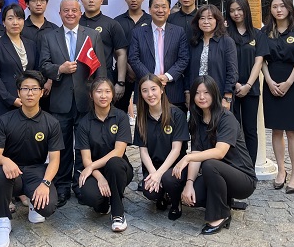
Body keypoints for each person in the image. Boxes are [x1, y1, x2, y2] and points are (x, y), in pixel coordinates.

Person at [39, 0, 107, 207]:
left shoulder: (92, 35)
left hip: (85, 101)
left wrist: (100, 96)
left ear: (80, 13)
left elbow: (100, 70)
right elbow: (43, 65)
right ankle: (61, 186)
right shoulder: (49, 37)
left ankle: (81, 184)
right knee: (62, 146)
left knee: (84, 146)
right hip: (60, 103)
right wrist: (59, 69)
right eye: (65, 10)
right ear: (59, 14)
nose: (70, 14)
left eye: (74, 10)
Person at [172, 75, 256, 235]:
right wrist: (189, 183)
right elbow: (197, 151)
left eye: (206, 92)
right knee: (194, 198)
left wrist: (187, 157)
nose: (201, 97)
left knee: (210, 163)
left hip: (243, 178)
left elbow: (220, 152)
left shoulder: (226, 118)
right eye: (197, 93)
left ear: (215, 94)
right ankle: (225, 201)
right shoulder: (197, 119)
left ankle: (220, 215)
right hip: (218, 174)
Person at [0, 71, 62, 247]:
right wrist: (5, 160)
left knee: (48, 208)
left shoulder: (51, 123)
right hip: (12, 173)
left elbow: (54, 160)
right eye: (25, 89)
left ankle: (33, 203)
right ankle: (3, 220)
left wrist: (45, 183)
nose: (30, 93)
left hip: (37, 171)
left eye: (34, 89)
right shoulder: (5, 120)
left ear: (41, 92)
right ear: (18, 92)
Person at [261, 0, 294, 193]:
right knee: (276, 130)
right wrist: (269, 81)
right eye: (274, 7)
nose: (278, 10)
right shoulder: (266, 31)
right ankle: (281, 170)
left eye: (282, 6)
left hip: (292, 82)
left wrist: (288, 82)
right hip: (271, 80)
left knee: (292, 130)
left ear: (289, 8)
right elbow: (261, 59)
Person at [76, 78, 133, 232]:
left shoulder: (120, 117)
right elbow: (86, 159)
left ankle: (118, 213)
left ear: (112, 95)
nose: (103, 96)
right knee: (89, 196)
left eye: (107, 91)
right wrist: (99, 177)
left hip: (119, 168)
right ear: (91, 95)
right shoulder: (84, 123)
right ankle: (104, 203)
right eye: (99, 91)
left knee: (114, 162)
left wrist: (92, 166)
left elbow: (119, 152)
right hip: (94, 172)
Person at [134, 74, 189, 220]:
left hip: (175, 167)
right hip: (154, 166)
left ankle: (176, 203)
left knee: (169, 179)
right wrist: (153, 173)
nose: (150, 94)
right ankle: (162, 195)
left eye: (153, 89)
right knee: (149, 191)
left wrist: (159, 175)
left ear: (162, 90)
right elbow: (143, 151)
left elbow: (176, 150)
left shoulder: (176, 114)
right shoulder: (141, 118)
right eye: (145, 90)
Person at [225, 0, 270, 167]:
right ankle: (233, 165)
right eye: (232, 10)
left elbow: (259, 62)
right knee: (232, 127)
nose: (236, 13)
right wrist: (236, 84)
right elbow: (226, 62)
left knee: (251, 129)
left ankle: (249, 168)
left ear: (246, 11)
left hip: (251, 89)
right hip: (230, 88)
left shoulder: (258, 34)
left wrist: (248, 85)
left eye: (239, 9)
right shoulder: (225, 34)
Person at [129, 0, 189, 111]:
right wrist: (151, 79)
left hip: (172, 89)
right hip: (146, 90)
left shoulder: (179, 32)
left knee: (174, 126)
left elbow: (184, 58)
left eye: (164, 6)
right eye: (156, 6)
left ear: (169, 10)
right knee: (146, 127)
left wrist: (167, 76)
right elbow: (133, 58)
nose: (160, 10)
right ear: (150, 10)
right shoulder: (138, 32)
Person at [0, 4, 38, 128]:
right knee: (4, 146)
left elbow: (35, 72)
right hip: (4, 105)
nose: (15, 22)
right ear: (3, 22)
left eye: (19, 18)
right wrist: (10, 99)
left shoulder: (31, 44)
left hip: (27, 105)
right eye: (10, 18)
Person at [79, 0, 129, 100]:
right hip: (78, 76)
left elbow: (121, 54)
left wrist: (120, 82)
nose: (91, 0)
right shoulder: (75, 22)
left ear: (101, 0)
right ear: (81, 0)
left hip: (104, 76)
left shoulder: (111, 24)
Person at [185, 4, 238, 113]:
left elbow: (232, 72)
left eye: (210, 18)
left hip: (219, 96)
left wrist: (227, 97)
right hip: (197, 96)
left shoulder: (227, 42)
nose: (206, 22)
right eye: (202, 18)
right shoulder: (194, 43)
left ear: (217, 21)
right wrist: (188, 93)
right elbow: (188, 71)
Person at [114, 0, 152, 123]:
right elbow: (115, 49)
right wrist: (128, 68)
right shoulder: (117, 22)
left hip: (147, 71)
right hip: (125, 73)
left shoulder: (151, 20)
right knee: (120, 109)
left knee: (148, 109)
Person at [21, 0, 56, 111]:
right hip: (25, 86)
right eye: (34, 0)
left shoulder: (54, 29)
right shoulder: (20, 28)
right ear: (27, 4)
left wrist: (50, 81)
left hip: (49, 86)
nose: (38, 4)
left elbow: (58, 57)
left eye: (42, 0)